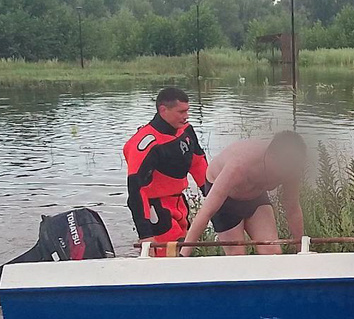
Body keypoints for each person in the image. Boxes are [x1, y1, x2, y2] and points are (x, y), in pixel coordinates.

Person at [180, 131, 308, 255]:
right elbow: (207, 211)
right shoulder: (239, 165)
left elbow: (292, 208)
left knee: (272, 252)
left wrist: (301, 250)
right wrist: (183, 254)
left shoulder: (291, 168)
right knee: (237, 255)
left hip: (256, 197)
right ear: (271, 158)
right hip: (226, 200)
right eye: (282, 170)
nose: (284, 175)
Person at [124, 87, 208, 254]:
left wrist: (213, 194)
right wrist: (145, 233)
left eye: (187, 111)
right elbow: (135, 189)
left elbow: (198, 164)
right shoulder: (146, 143)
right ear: (163, 110)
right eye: (181, 112)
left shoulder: (186, 130)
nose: (186, 116)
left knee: (184, 250)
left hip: (179, 204)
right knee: (166, 257)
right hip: (156, 209)